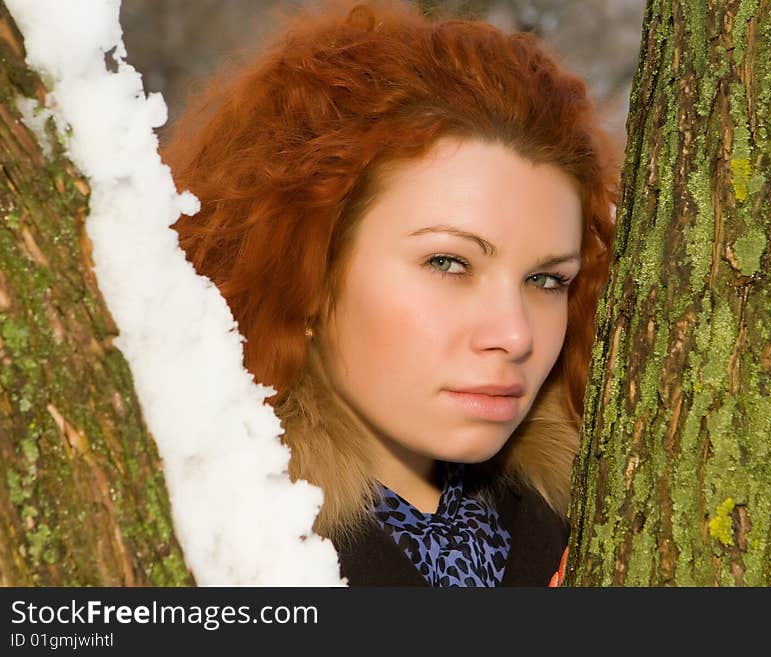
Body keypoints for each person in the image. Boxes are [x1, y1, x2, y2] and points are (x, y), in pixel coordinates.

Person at [162, 0, 617, 587]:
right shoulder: (200, 552)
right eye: (449, 263)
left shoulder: (601, 522)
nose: (515, 334)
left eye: (547, 280)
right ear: (306, 272)